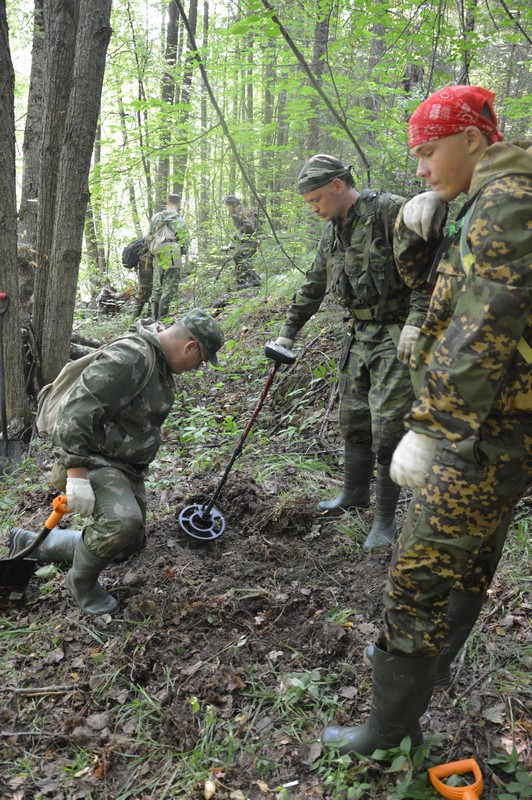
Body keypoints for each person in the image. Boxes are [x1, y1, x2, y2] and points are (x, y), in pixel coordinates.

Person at [322, 86, 531, 755]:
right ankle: (423, 686)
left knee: (417, 576)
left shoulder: (509, 202)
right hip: (492, 431)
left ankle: (386, 732)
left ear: (473, 139)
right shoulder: (484, 199)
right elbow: (438, 290)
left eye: (428, 152)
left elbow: (489, 319)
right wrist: (419, 231)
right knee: (467, 566)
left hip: (479, 434)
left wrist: (434, 423)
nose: (419, 168)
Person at [8, 310, 225, 615]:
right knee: (122, 523)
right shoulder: (131, 358)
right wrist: (77, 475)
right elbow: (75, 413)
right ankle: (81, 583)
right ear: (189, 347)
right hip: (91, 459)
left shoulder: (159, 363)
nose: (196, 368)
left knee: (127, 544)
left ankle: (31, 542)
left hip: (122, 465)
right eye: (200, 360)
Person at [272, 154, 430, 550]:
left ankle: (384, 520)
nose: (313, 209)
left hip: (397, 336)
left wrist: (418, 321)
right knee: (354, 418)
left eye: (316, 200)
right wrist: (288, 332)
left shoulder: (389, 210)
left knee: (390, 426)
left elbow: (430, 271)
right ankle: (354, 493)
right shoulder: (333, 231)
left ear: (338, 186)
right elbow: (313, 284)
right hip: (358, 336)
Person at [148, 193, 190, 319]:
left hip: (157, 250)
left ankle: (153, 319)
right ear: (179, 203)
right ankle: (163, 318)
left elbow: (149, 235)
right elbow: (184, 242)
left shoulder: (156, 217)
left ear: (167, 202)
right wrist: (182, 252)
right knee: (169, 285)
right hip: (172, 250)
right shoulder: (180, 220)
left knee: (157, 285)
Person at [223, 195, 261, 288]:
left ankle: (254, 280)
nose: (227, 208)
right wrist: (232, 243)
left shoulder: (244, 211)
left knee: (239, 256)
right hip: (246, 240)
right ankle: (242, 281)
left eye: (228, 205)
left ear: (232, 205)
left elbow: (249, 226)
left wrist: (237, 234)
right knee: (238, 257)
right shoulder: (236, 214)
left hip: (253, 239)